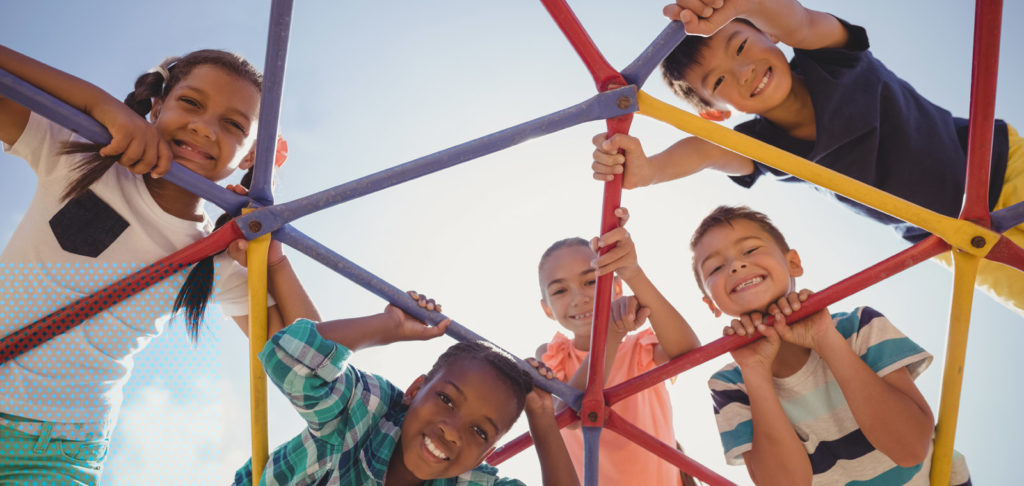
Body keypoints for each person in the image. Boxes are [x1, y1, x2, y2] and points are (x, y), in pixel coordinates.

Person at [0, 46, 313, 484]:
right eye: (191, 103)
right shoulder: (82, 152)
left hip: (59, 448)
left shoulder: (216, 254)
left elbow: (305, 358)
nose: (204, 127)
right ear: (157, 105)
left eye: (233, 124)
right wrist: (100, 105)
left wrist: (275, 259)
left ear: (249, 156)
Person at [590, 0, 1024, 316]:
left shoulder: (833, 58)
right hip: (958, 240)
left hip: (1003, 169)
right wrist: (647, 172)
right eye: (719, 79)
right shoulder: (764, 146)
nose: (744, 72)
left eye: (741, 47)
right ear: (714, 110)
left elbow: (799, 21)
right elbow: (706, 150)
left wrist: (741, 3)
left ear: (768, 33)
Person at [690, 205, 970, 485]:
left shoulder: (859, 326)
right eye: (715, 267)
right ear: (711, 304)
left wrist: (825, 339)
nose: (736, 266)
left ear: (793, 263)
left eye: (750, 250)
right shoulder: (730, 383)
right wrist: (754, 370)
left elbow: (910, 450)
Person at [231, 292, 580, 486]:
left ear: (486, 453)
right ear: (415, 390)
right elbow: (287, 357)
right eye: (446, 399)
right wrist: (389, 326)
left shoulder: (468, 481)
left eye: (479, 430)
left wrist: (543, 419)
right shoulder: (366, 411)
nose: (452, 430)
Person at [535, 208, 703, 485]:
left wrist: (633, 271)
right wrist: (610, 335)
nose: (579, 298)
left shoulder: (639, 349)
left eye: (591, 281)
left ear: (616, 288)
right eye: (560, 291)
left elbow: (689, 351)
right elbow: (568, 414)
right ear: (547, 309)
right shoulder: (552, 355)